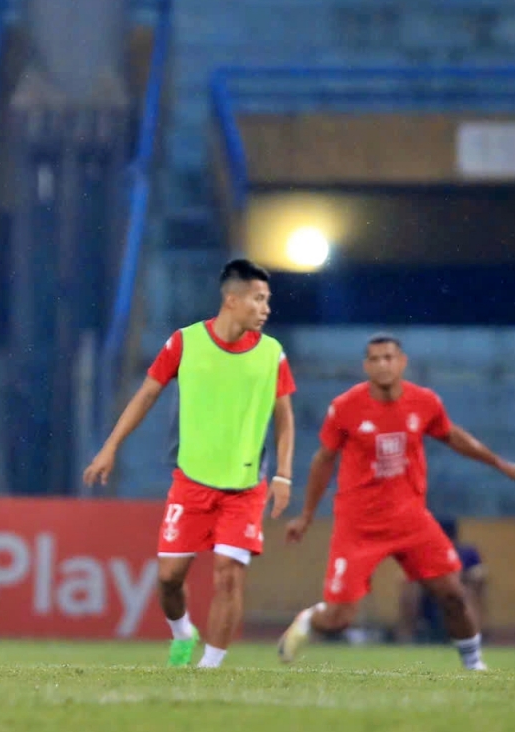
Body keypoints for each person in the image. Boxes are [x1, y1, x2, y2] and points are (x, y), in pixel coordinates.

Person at [83, 258, 295, 669]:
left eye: (268, 300)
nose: (266, 308)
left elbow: (284, 417)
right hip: (192, 481)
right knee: (169, 579)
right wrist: (109, 448)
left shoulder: (272, 353)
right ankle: (183, 632)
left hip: (245, 484)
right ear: (232, 300)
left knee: (228, 575)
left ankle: (209, 669)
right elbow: (147, 394)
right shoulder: (185, 342)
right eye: (258, 299)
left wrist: (283, 475)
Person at [278, 335, 515, 671]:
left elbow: (453, 436)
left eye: (389, 357)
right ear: (366, 366)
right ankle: (308, 620)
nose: (382, 364)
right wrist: (305, 515)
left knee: (453, 593)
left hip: (411, 520)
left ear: (402, 362)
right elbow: (323, 460)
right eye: (374, 359)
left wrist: (499, 463)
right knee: (339, 618)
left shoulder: (425, 402)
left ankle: (474, 664)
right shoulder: (345, 407)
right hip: (359, 525)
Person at [397, 517, 486, 644]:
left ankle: (473, 636)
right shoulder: (427, 551)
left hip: (459, 592)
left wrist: (460, 580)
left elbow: (479, 573)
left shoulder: (467, 552)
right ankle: (406, 637)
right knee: (410, 587)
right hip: (432, 592)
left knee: (468, 592)